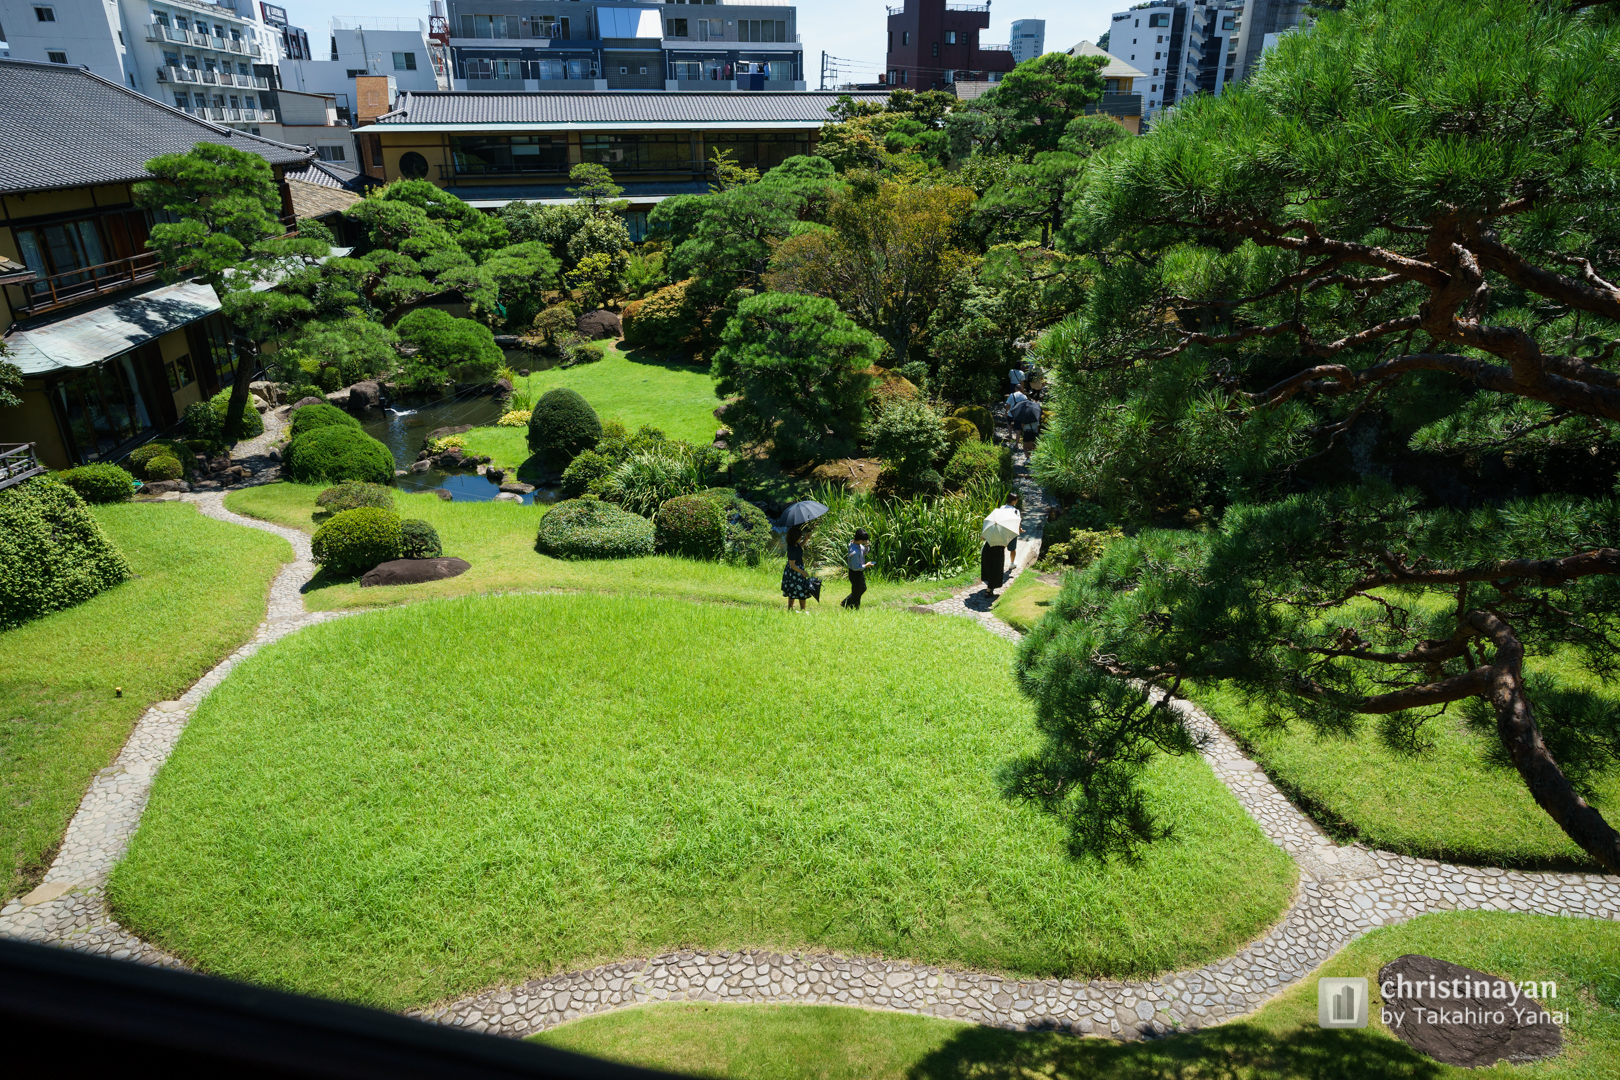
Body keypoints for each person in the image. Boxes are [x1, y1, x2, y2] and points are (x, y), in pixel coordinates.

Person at [781, 523, 821, 611]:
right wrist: (802, 572)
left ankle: (798, 609)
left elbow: (799, 548)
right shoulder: (791, 548)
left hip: (798, 570)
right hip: (794, 572)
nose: (801, 538)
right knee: (797, 590)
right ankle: (795, 609)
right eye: (800, 537)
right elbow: (792, 565)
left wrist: (806, 540)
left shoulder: (796, 545)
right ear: (795, 538)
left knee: (799, 589)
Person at [841, 528, 874, 609]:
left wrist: (866, 545)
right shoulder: (854, 551)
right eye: (863, 541)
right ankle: (854, 608)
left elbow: (865, 552)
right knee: (856, 592)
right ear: (860, 540)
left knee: (862, 588)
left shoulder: (858, 545)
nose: (864, 542)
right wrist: (866, 565)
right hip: (855, 573)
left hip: (859, 572)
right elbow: (855, 567)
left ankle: (845, 602)